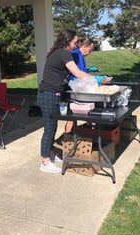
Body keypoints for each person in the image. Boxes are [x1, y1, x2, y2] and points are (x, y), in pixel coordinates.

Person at [37, 29, 93, 173]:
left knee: (53, 127)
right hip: (48, 95)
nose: (76, 45)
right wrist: (94, 81)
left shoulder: (59, 52)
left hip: (54, 94)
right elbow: (77, 73)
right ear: (68, 41)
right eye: (74, 42)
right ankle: (45, 162)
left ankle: (50, 153)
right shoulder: (62, 53)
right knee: (49, 129)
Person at [65, 37, 99, 133]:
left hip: (77, 85)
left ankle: (73, 134)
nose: (90, 52)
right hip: (73, 86)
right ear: (85, 46)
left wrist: (88, 70)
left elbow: (81, 70)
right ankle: (68, 136)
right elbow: (78, 73)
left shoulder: (79, 55)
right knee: (72, 115)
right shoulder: (76, 54)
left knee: (73, 115)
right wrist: (94, 79)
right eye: (90, 50)